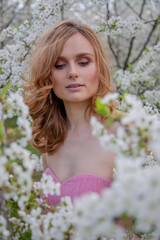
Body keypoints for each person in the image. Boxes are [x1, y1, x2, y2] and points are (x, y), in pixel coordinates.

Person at [24, 20, 117, 206]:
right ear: (47, 75)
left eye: (84, 62)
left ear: (99, 68)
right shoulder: (50, 141)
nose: (73, 72)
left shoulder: (125, 132)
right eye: (59, 65)